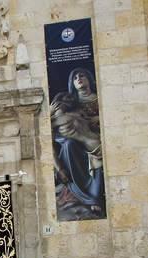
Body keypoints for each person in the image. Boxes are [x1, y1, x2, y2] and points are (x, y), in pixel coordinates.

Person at [50, 67, 105, 217]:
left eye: (82, 76)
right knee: (69, 145)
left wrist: (96, 120)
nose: (78, 79)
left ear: (89, 79)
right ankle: (91, 198)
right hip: (78, 146)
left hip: (95, 139)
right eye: (75, 78)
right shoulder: (69, 110)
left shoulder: (81, 108)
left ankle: (94, 197)